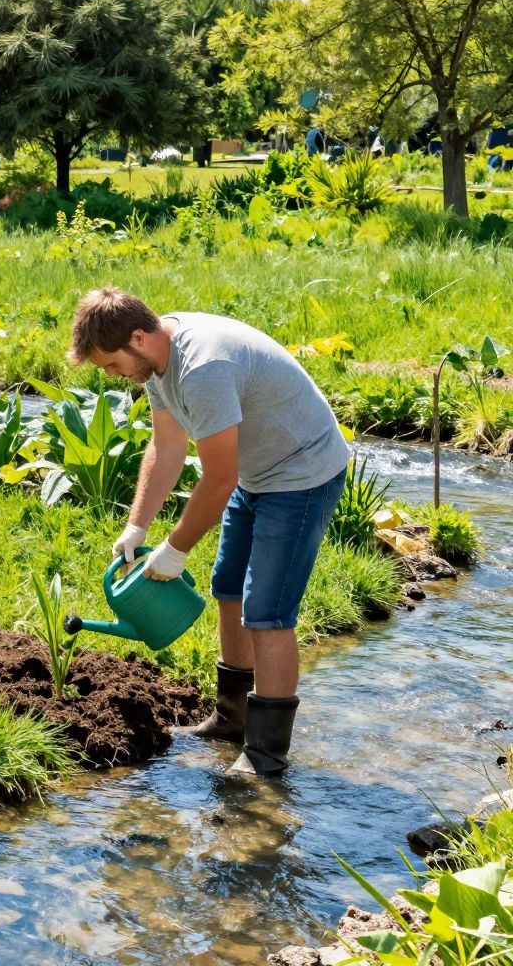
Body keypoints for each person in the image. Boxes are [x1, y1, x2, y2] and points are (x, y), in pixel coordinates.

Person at [68, 288, 350, 777]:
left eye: (112, 364)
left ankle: (265, 754)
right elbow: (167, 447)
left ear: (138, 337)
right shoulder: (156, 362)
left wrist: (175, 549)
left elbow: (219, 478)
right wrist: (137, 525)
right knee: (228, 587)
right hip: (257, 472)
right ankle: (231, 718)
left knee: (268, 611)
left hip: (302, 473)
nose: (112, 374)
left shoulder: (202, 367)